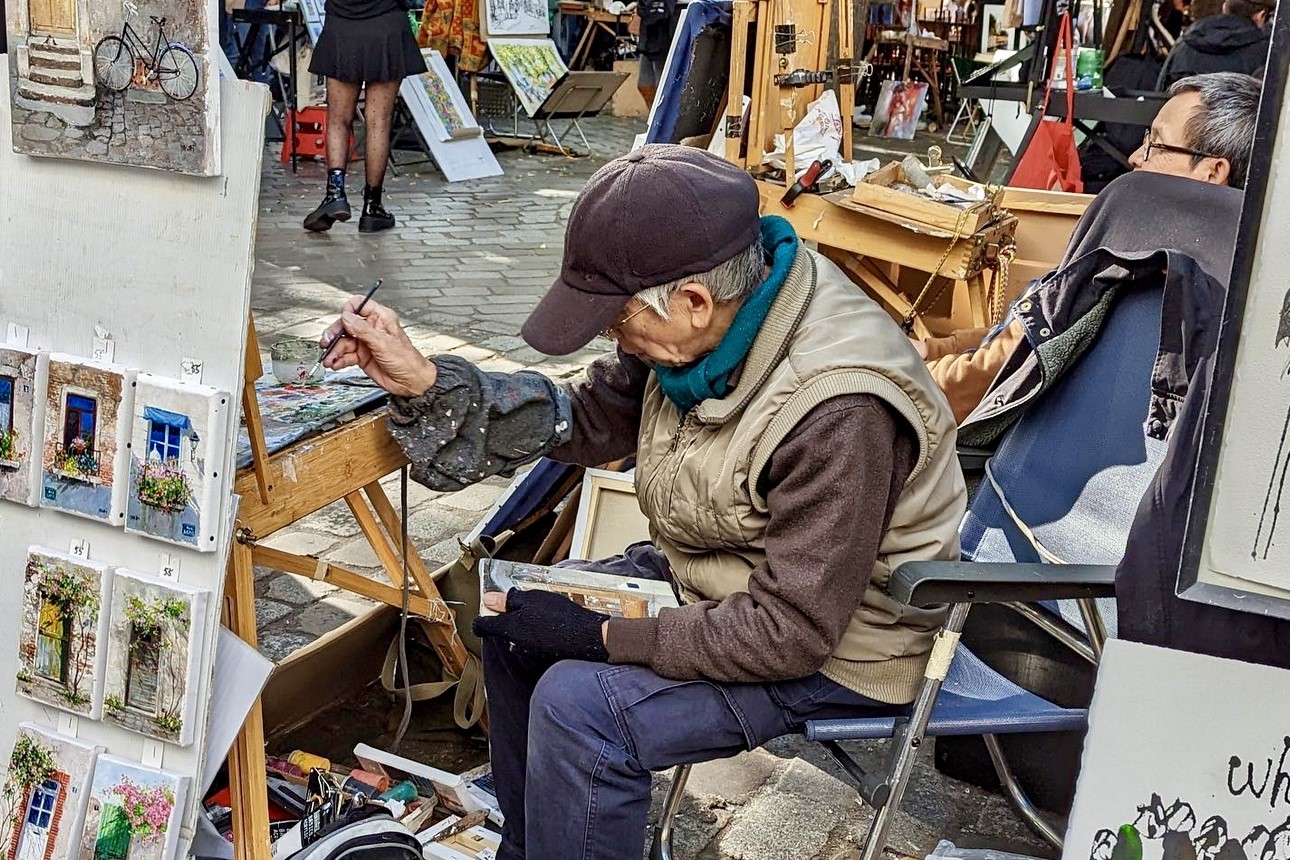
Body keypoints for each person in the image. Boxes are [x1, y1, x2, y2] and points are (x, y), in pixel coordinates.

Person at [320, 145, 967, 860]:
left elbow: (792, 632)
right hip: (719, 581)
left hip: (840, 647)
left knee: (580, 710)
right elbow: (588, 417)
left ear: (691, 302)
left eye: (616, 321)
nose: (610, 338)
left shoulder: (839, 406)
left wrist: (601, 639)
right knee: (511, 622)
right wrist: (427, 380)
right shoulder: (718, 317)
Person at [915, 72, 1259, 424]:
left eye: (1156, 143)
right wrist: (938, 348)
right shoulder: (1239, 273)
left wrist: (910, 371)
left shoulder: (1136, 247)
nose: (1135, 157)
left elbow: (1014, 361)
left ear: (1213, 172)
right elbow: (1030, 330)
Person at [302, 0, 426, 234]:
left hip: (342, 26)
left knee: (338, 119)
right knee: (378, 121)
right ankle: (372, 207)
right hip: (386, 25)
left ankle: (335, 194)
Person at [1157, 0, 1273, 88]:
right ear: (1261, 15)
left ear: (1225, 8)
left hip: (1182, 117)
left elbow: (1160, 92)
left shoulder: (1184, 43)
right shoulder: (1265, 53)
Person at [629, 0, 678, 106]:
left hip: (669, 19)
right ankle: (654, 117)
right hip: (649, 21)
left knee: (662, 83)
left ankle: (663, 117)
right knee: (644, 84)